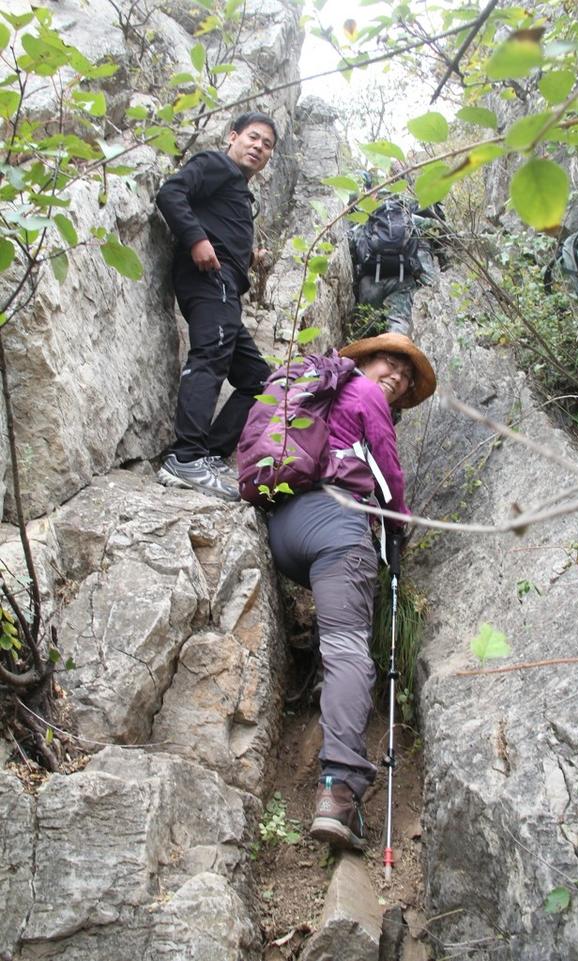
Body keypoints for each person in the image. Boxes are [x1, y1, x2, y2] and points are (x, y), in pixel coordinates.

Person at [266, 332, 436, 850]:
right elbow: (389, 477)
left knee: (337, 626)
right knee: (350, 652)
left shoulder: (324, 393)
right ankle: (338, 794)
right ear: (365, 360)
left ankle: (318, 679)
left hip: (286, 528)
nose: (398, 378)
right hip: (339, 528)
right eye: (392, 363)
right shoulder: (364, 394)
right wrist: (401, 526)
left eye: (406, 377)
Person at [155, 111, 278, 500]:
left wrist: (250, 257)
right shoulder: (216, 164)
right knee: (209, 357)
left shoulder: (237, 190)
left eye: (267, 145)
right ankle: (185, 457)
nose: (259, 147)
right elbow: (171, 192)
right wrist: (196, 239)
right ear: (232, 136)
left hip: (225, 289)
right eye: (253, 137)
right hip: (210, 281)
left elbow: (219, 226)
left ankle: (208, 454)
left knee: (261, 380)